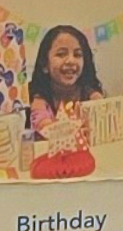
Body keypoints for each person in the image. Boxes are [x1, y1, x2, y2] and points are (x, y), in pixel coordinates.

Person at [20, 21, 104, 178]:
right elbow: (45, 128)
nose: (71, 60)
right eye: (61, 54)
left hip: (88, 171)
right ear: (45, 64)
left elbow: (105, 122)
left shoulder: (90, 95)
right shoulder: (39, 99)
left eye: (77, 55)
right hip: (49, 172)